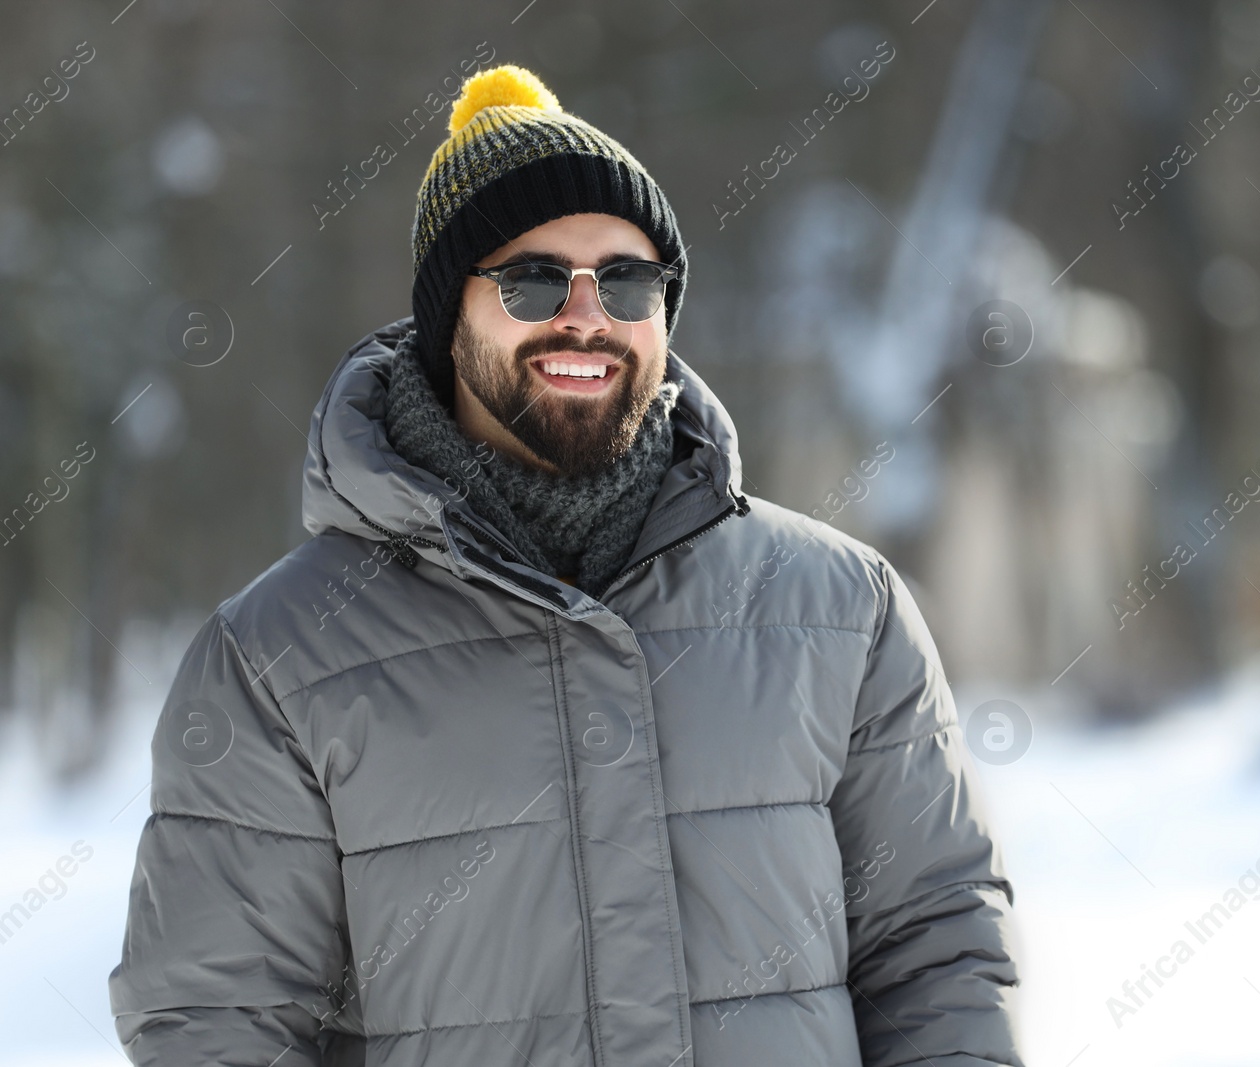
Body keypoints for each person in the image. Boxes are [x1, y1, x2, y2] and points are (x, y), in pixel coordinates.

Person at [109, 63, 1024, 1067]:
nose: (584, 315)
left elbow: (936, 944)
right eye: (531, 278)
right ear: (443, 315)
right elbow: (215, 1020)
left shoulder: (842, 609)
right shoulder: (277, 658)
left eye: (627, 279)